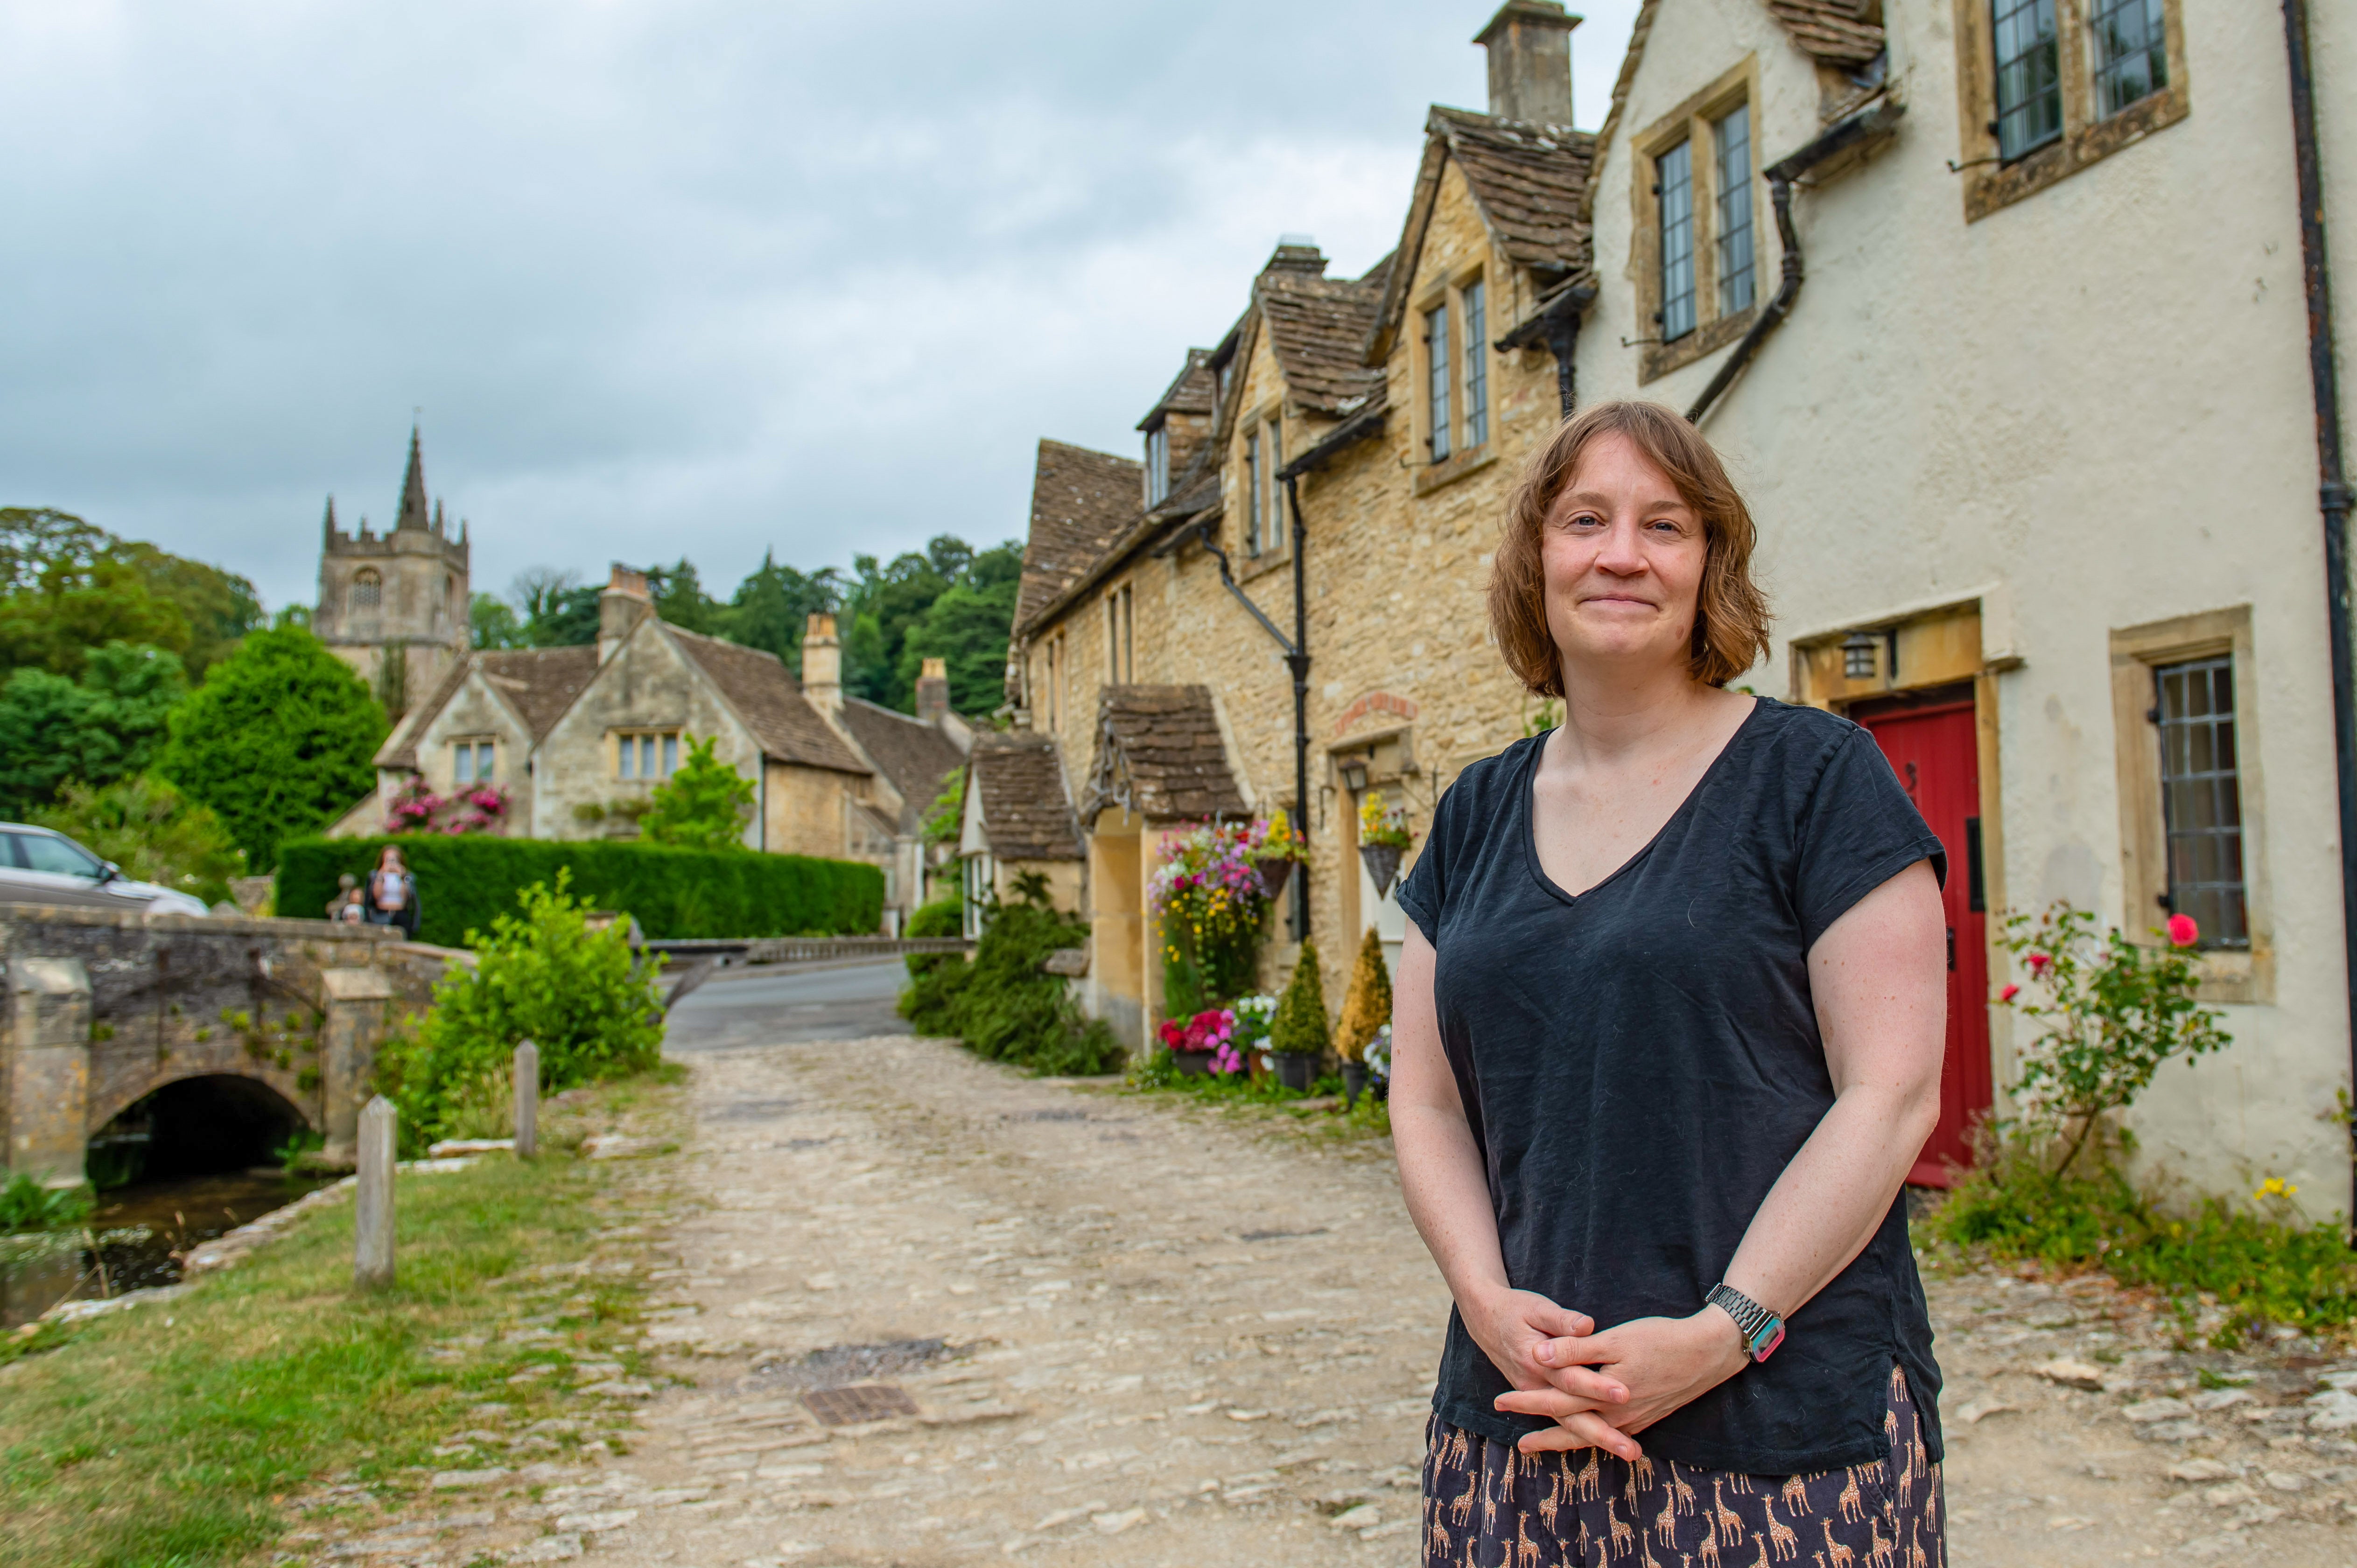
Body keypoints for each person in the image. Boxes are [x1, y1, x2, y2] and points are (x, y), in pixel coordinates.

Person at [1389, 401, 1950, 1566]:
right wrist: (1490, 1309)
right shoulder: (1475, 814)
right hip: (1523, 1418)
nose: (1621, 554)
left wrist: (1722, 1331)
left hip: (1784, 1432)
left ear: (1711, 565)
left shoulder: (1816, 781)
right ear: (1534, 559)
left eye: (1666, 525)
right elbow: (1427, 1100)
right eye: (1584, 519)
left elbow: (1890, 1096)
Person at [362, 845, 421, 938]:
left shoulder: (408, 877)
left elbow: (406, 898)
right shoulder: (375, 875)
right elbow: (376, 896)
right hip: (381, 915)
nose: (392, 863)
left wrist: (402, 877)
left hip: (401, 915)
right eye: (388, 860)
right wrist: (381, 876)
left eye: (395, 860)